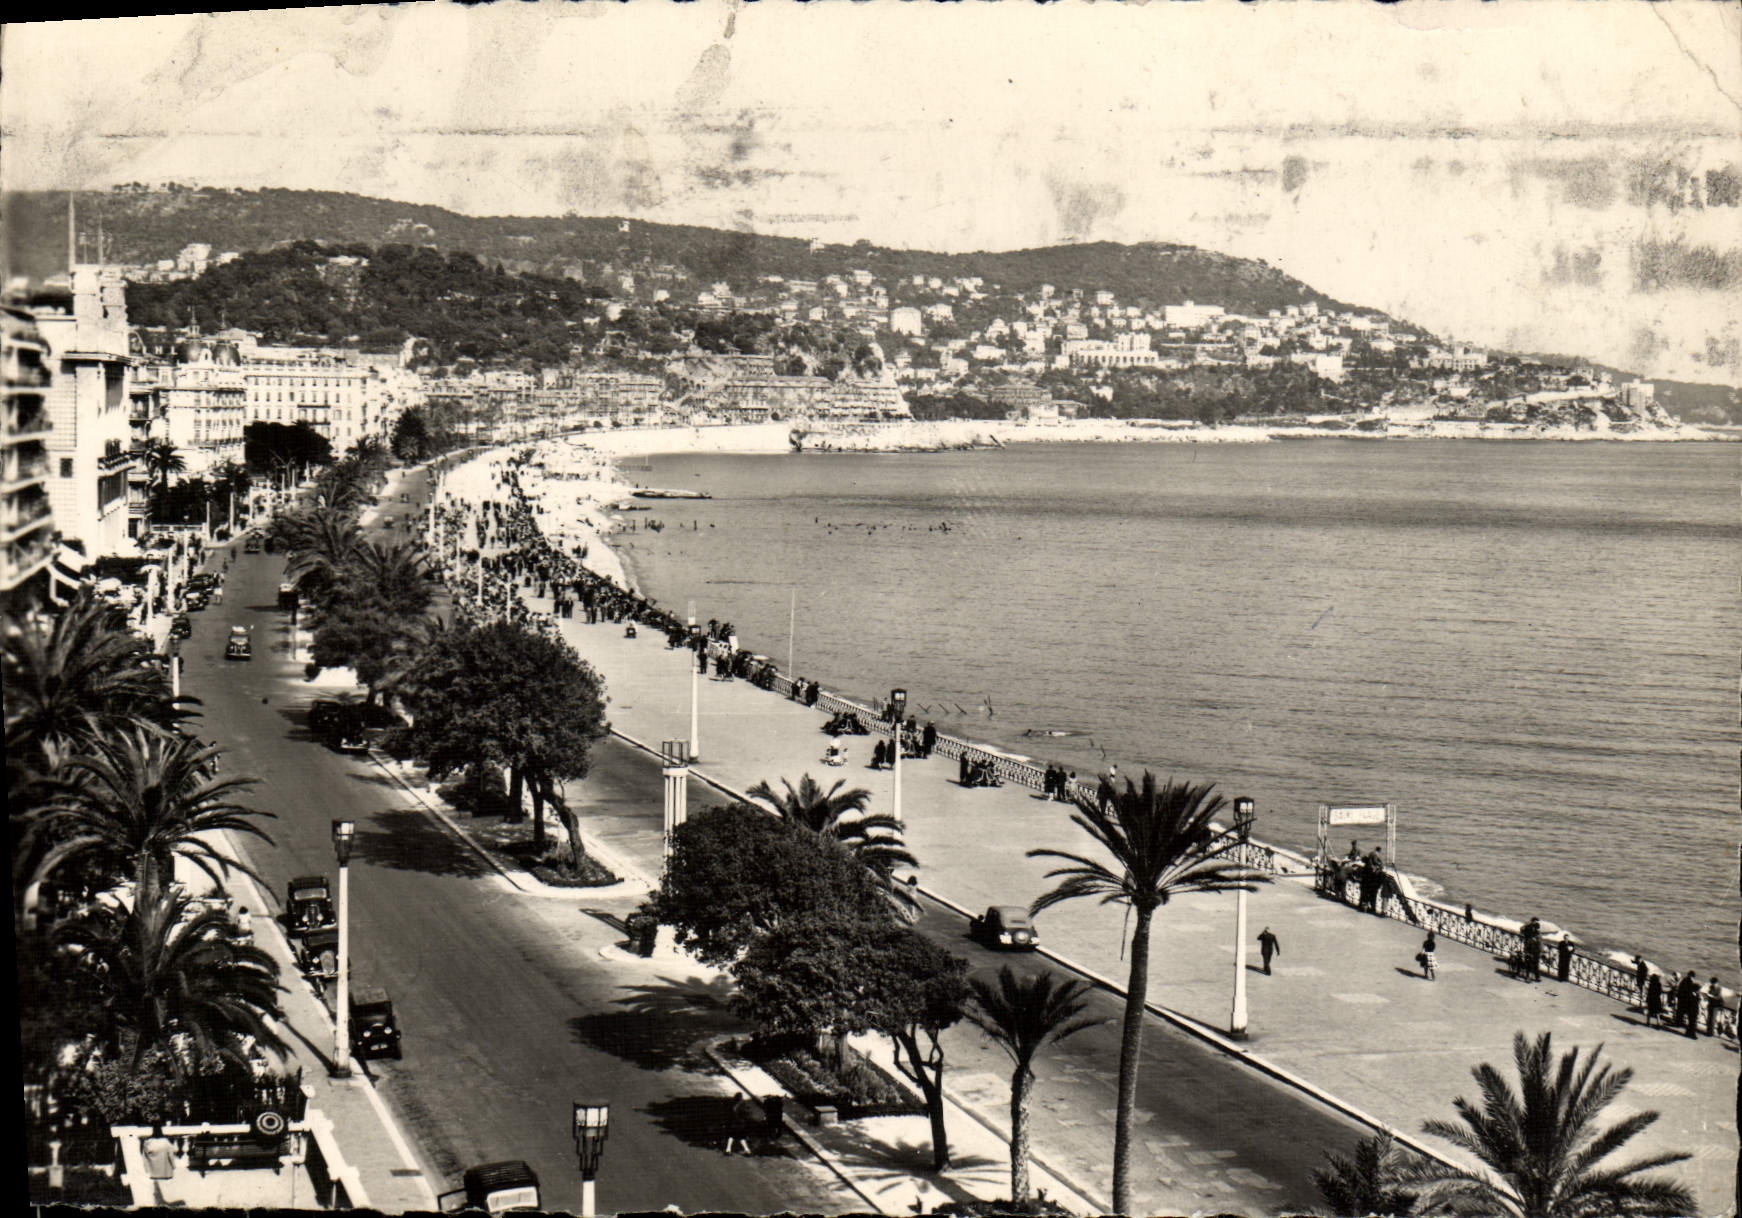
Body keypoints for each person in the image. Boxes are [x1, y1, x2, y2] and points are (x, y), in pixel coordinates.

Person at [1677, 970, 1700, 1038]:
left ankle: (1688, 1032)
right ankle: (1691, 1033)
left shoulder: (1684, 980)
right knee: (1692, 1021)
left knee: (1690, 1020)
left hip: (1685, 1003)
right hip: (1691, 1007)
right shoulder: (1690, 983)